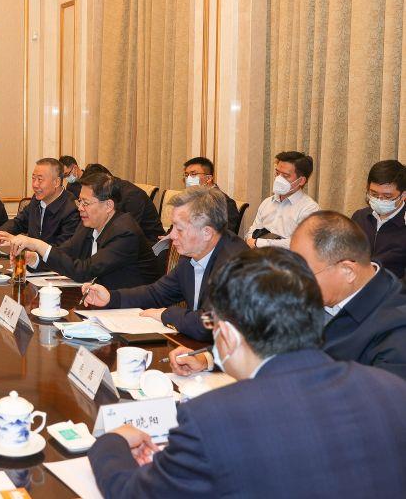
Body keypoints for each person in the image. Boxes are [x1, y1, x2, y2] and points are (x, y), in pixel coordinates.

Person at [88, 247, 406, 498]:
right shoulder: (392, 390)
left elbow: (136, 493)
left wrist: (110, 443)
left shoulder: (211, 420)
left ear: (227, 335)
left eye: (212, 323)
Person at [83, 186, 247, 341]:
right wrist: (111, 298)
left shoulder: (237, 265)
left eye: (179, 229)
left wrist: (166, 314)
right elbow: (157, 293)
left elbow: (209, 324)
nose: (172, 235)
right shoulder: (191, 255)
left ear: (207, 232)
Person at [290, 211, 406, 379]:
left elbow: (377, 395)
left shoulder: (396, 333)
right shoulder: (327, 292)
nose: (297, 283)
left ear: (348, 271)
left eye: (304, 274)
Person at [1, 172, 158, 288]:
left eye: (86, 203)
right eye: (79, 201)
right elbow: (64, 253)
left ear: (108, 206)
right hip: (99, 299)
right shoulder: (88, 224)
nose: (80, 208)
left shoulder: (125, 232)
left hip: (132, 309)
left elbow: (84, 271)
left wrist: (37, 244)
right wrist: (34, 258)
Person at [0, 158, 80, 247]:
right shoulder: (37, 199)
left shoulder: (72, 209)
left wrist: (29, 245)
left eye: (40, 179)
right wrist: (1, 234)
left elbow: (62, 248)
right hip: (29, 254)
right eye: (33, 178)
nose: (34, 185)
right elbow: (19, 222)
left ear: (56, 182)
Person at [244, 150, 319, 248]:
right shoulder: (267, 202)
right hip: (258, 255)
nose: (278, 179)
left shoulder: (310, 209)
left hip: (286, 257)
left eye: (285, 176)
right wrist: (251, 240)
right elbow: (252, 232)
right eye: (277, 173)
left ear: (301, 181)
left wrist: (258, 243)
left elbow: (299, 243)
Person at [351, 159, 406, 278]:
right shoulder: (359, 217)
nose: (380, 200)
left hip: (392, 288)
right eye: (374, 194)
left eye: (387, 196)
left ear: (403, 195)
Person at [181, 157, 241, 234]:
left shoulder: (225, 203)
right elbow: (176, 225)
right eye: (186, 175)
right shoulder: (188, 199)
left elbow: (223, 235)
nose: (188, 179)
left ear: (208, 178)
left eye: (193, 174)